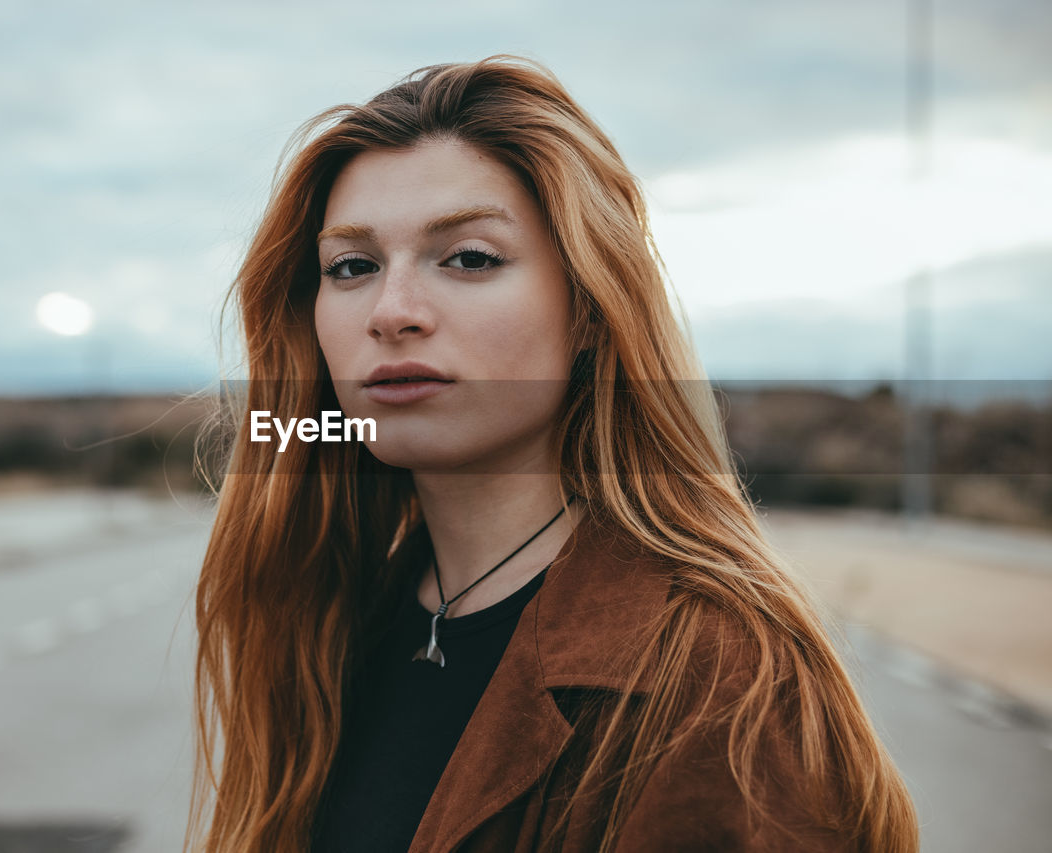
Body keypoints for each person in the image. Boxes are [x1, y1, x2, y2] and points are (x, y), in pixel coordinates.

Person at [186, 55, 919, 852]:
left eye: (469, 257)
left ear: (589, 309)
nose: (392, 311)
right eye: (352, 266)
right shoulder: (330, 620)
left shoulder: (719, 679)